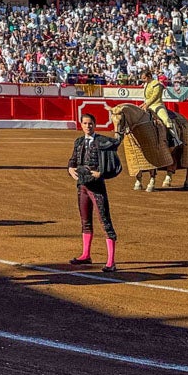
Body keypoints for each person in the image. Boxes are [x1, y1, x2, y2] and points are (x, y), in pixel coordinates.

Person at [68, 112, 119, 273]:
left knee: (105, 221)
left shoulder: (102, 141)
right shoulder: (78, 142)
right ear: (81, 125)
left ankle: (111, 261)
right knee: (85, 221)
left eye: (90, 123)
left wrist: (102, 173)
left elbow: (116, 145)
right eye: (85, 123)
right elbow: (73, 160)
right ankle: (86, 255)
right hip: (82, 185)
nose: (88, 126)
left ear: (94, 125)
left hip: (96, 187)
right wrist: (70, 168)